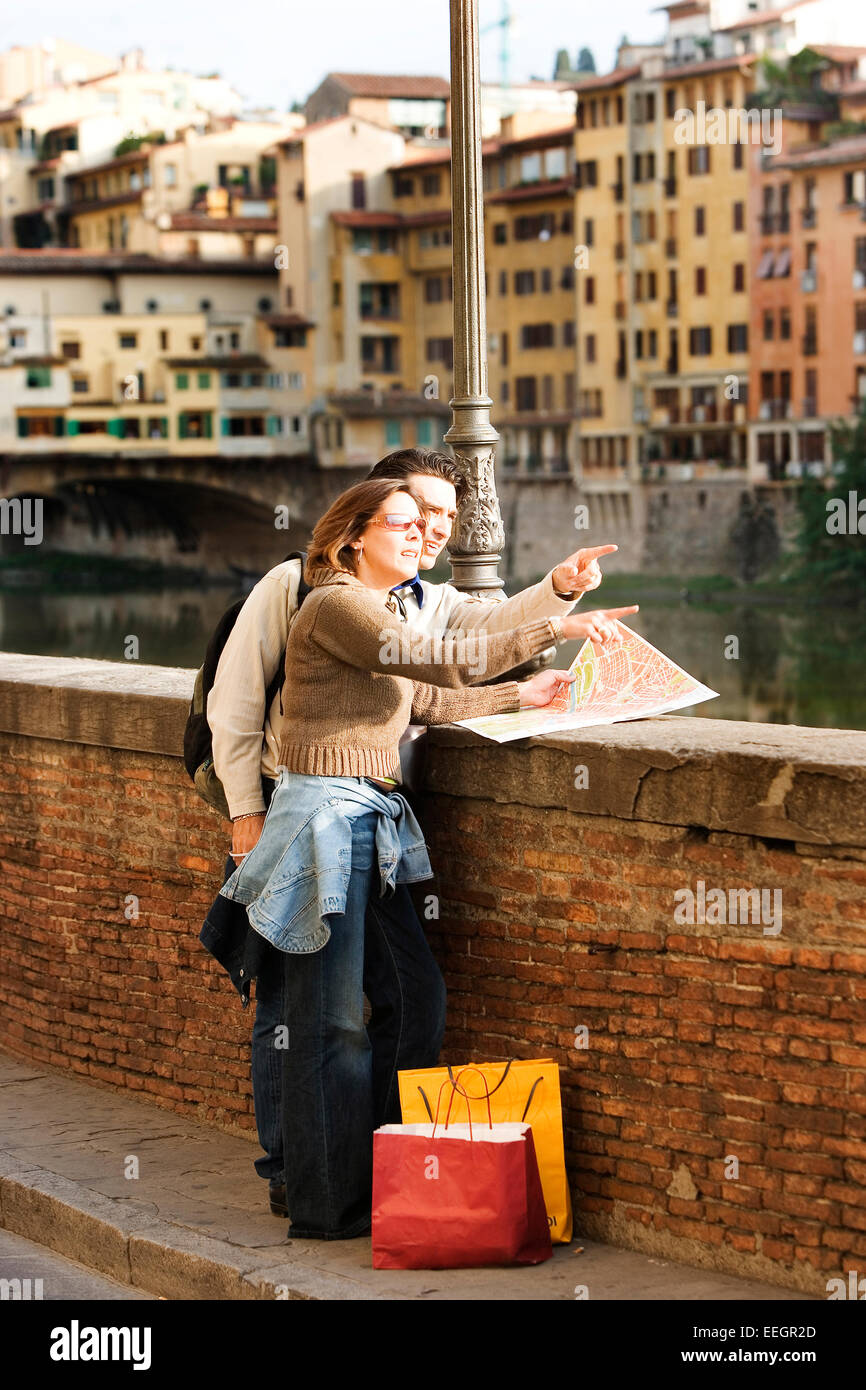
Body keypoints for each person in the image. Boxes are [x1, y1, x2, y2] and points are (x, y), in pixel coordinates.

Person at [201, 447, 636, 1215]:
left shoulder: (397, 603)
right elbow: (241, 707)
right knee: (317, 1019)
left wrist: (524, 690)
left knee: (407, 999)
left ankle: (368, 1167)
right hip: (311, 818)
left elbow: (430, 693)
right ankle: (314, 1189)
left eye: (436, 520)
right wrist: (245, 814)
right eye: (407, 519)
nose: (426, 533)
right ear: (355, 529)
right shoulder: (325, 599)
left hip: (369, 819)